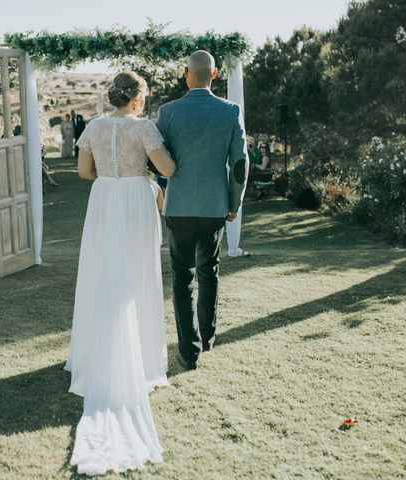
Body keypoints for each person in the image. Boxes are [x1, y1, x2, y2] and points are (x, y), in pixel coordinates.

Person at [66, 71, 176, 475]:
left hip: (104, 200)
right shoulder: (144, 128)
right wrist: (147, 174)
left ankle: (93, 356)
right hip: (133, 199)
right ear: (136, 98)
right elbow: (169, 166)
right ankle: (142, 357)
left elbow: (84, 172)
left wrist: (114, 175)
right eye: (144, 96)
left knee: (101, 273)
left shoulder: (93, 126)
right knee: (136, 277)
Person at [156, 50, 248, 371]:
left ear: (186, 74)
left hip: (178, 206)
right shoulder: (229, 111)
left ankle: (189, 350)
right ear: (214, 74)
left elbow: (159, 162)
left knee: (183, 277)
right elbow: (240, 164)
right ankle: (207, 336)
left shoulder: (166, 113)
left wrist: (162, 195)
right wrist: (233, 202)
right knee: (209, 271)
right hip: (213, 207)